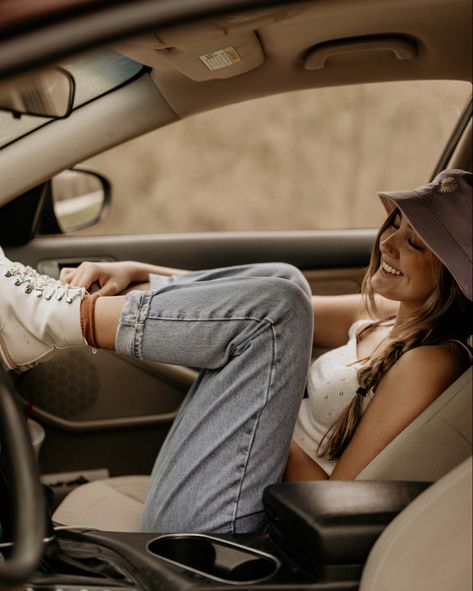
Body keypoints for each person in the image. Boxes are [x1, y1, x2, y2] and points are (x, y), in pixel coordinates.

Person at [0, 169, 471, 534]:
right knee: (287, 284)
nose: (388, 242)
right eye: (394, 222)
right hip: (238, 484)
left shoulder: (430, 360)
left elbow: (337, 504)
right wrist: (138, 272)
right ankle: (63, 312)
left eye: (414, 243)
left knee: (281, 308)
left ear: (453, 278)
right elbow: (253, 300)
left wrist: (262, 411)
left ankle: (50, 319)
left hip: (248, 528)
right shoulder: (386, 315)